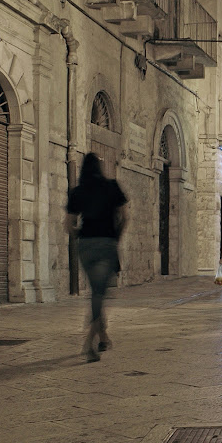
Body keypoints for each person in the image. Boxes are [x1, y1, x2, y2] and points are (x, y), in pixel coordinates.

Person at [64, 153, 128, 363]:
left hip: (86, 246)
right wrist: (115, 237)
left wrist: (81, 237)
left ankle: (103, 337)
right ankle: (88, 343)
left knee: (96, 291)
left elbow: (69, 225)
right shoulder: (112, 187)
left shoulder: (77, 192)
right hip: (106, 244)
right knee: (98, 295)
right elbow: (124, 217)